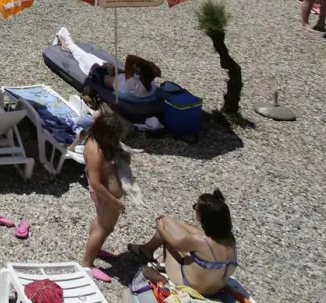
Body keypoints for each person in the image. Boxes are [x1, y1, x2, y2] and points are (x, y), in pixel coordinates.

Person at [131, 189, 239, 299]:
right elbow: (199, 234)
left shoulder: (199, 241)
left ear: (204, 217)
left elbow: (174, 244)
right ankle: (147, 250)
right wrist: (177, 223)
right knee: (169, 222)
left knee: (165, 228)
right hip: (214, 290)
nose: (195, 210)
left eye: (196, 208)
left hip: (189, 284)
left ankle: (147, 251)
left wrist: (160, 227)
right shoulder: (230, 240)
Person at [82, 105, 129, 282]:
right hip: (104, 194)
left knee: (101, 221)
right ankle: (87, 263)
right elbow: (95, 182)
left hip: (105, 194)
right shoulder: (95, 151)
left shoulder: (96, 140)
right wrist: (114, 201)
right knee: (104, 227)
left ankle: (95, 249)